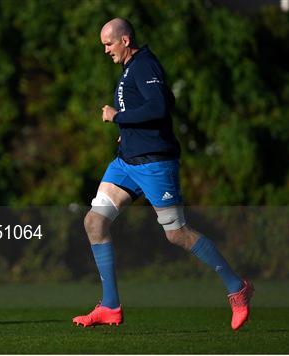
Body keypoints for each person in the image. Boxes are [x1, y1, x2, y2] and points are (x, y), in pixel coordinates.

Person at [72, 18, 254, 331]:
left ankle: (237, 288)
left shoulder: (143, 65)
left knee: (176, 233)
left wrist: (119, 117)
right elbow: (165, 100)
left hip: (155, 165)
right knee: (95, 221)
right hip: (127, 163)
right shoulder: (132, 68)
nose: (105, 50)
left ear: (125, 40)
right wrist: (128, 133)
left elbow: (159, 107)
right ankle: (111, 305)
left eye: (109, 44)